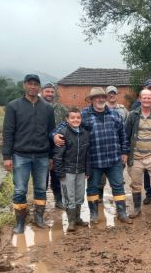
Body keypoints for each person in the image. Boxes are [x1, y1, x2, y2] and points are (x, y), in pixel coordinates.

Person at [53, 87, 130, 224]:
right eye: (97, 97)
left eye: (102, 97)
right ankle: (94, 214)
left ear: (105, 99)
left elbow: (123, 135)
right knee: (93, 187)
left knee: (118, 186)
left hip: (114, 159)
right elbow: (65, 125)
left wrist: (124, 152)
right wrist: (54, 135)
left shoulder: (115, 115)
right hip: (94, 160)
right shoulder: (84, 115)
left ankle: (122, 213)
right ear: (92, 100)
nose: (100, 99)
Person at [3, 74, 55, 234]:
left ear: (39, 87)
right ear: (25, 85)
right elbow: (8, 132)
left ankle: (39, 218)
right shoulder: (14, 106)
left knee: (40, 188)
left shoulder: (47, 108)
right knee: (20, 190)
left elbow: (51, 133)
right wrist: (6, 157)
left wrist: (51, 155)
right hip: (21, 155)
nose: (33, 87)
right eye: (30, 84)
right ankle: (20, 222)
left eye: (35, 84)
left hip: (42, 155)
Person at [125, 89, 151, 221]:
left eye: (149, 98)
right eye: (144, 98)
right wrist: (125, 153)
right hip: (136, 156)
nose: (147, 100)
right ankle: (137, 208)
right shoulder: (132, 115)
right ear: (140, 99)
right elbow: (126, 135)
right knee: (136, 183)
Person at [52, 107, 91, 232]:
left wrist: (88, 171)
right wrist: (60, 172)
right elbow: (58, 155)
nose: (76, 120)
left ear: (81, 118)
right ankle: (71, 222)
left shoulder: (85, 134)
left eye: (78, 117)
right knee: (69, 196)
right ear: (67, 120)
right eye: (72, 117)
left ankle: (78, 218)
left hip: (81, 170)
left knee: (79, 195)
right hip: (67, 171)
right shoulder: (63, 134)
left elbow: (87, 154)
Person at [41, 82, 68, 210]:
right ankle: (41, 203)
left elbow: (69, 124)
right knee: (42, 178)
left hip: (58, 149)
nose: (50, 94)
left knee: (57, 175)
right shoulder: (38, 107)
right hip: (41, 148)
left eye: (52, 92)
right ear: (42, 92)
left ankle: (59, 200)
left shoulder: (61, 109)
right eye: (47, 91)